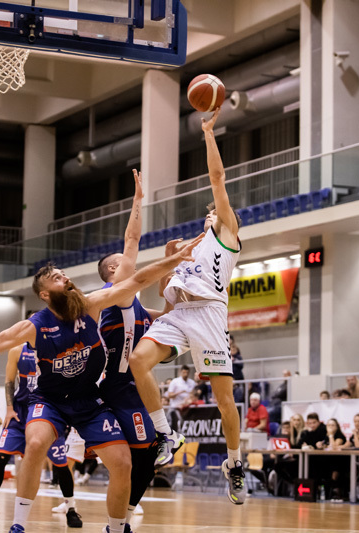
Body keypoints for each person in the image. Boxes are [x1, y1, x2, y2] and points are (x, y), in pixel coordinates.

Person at [0, 239, 201, 533]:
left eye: (64, 275)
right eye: (57, 278)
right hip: (50, 400)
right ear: (45, 294)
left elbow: (138, 279)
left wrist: (175, 259)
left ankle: (116, 529)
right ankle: (18, 525)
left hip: (89, 400)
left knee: (123, 463)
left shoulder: (90, 305)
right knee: (35, 444)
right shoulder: (33, 326)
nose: (66, 278)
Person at [128, 107, 248, 506]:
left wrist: (209, 133)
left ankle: (234, 463)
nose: (210, 212)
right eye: (209, 212)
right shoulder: (189, 248)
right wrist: (168, 262)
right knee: (138, 361)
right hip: (180, 314)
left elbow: (217, 178)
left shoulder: (227, 234)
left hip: (210, 316)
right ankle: (166, 433)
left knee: (224, 401)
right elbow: (166, 296)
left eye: (214, 210)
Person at [95, 170, 176, 526]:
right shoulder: (117, 296)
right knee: (135, 460)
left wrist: (169, 270)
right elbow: (132, 239)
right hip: (117, 389)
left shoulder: (137, 306)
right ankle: (118, 523)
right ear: (114, 271)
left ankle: (122, 520)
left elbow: (171, 316)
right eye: (123, 263)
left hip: (134, 390)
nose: (130, 265)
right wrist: (138, 200)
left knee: (146, 461)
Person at [0, 343, 83, 528]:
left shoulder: (57, 349)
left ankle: (71, 508)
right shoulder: (17, 351)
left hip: (46, 413)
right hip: (20, 414)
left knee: (61, 465)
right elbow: (9, 381)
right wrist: (9, 408)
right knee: (1, 457)